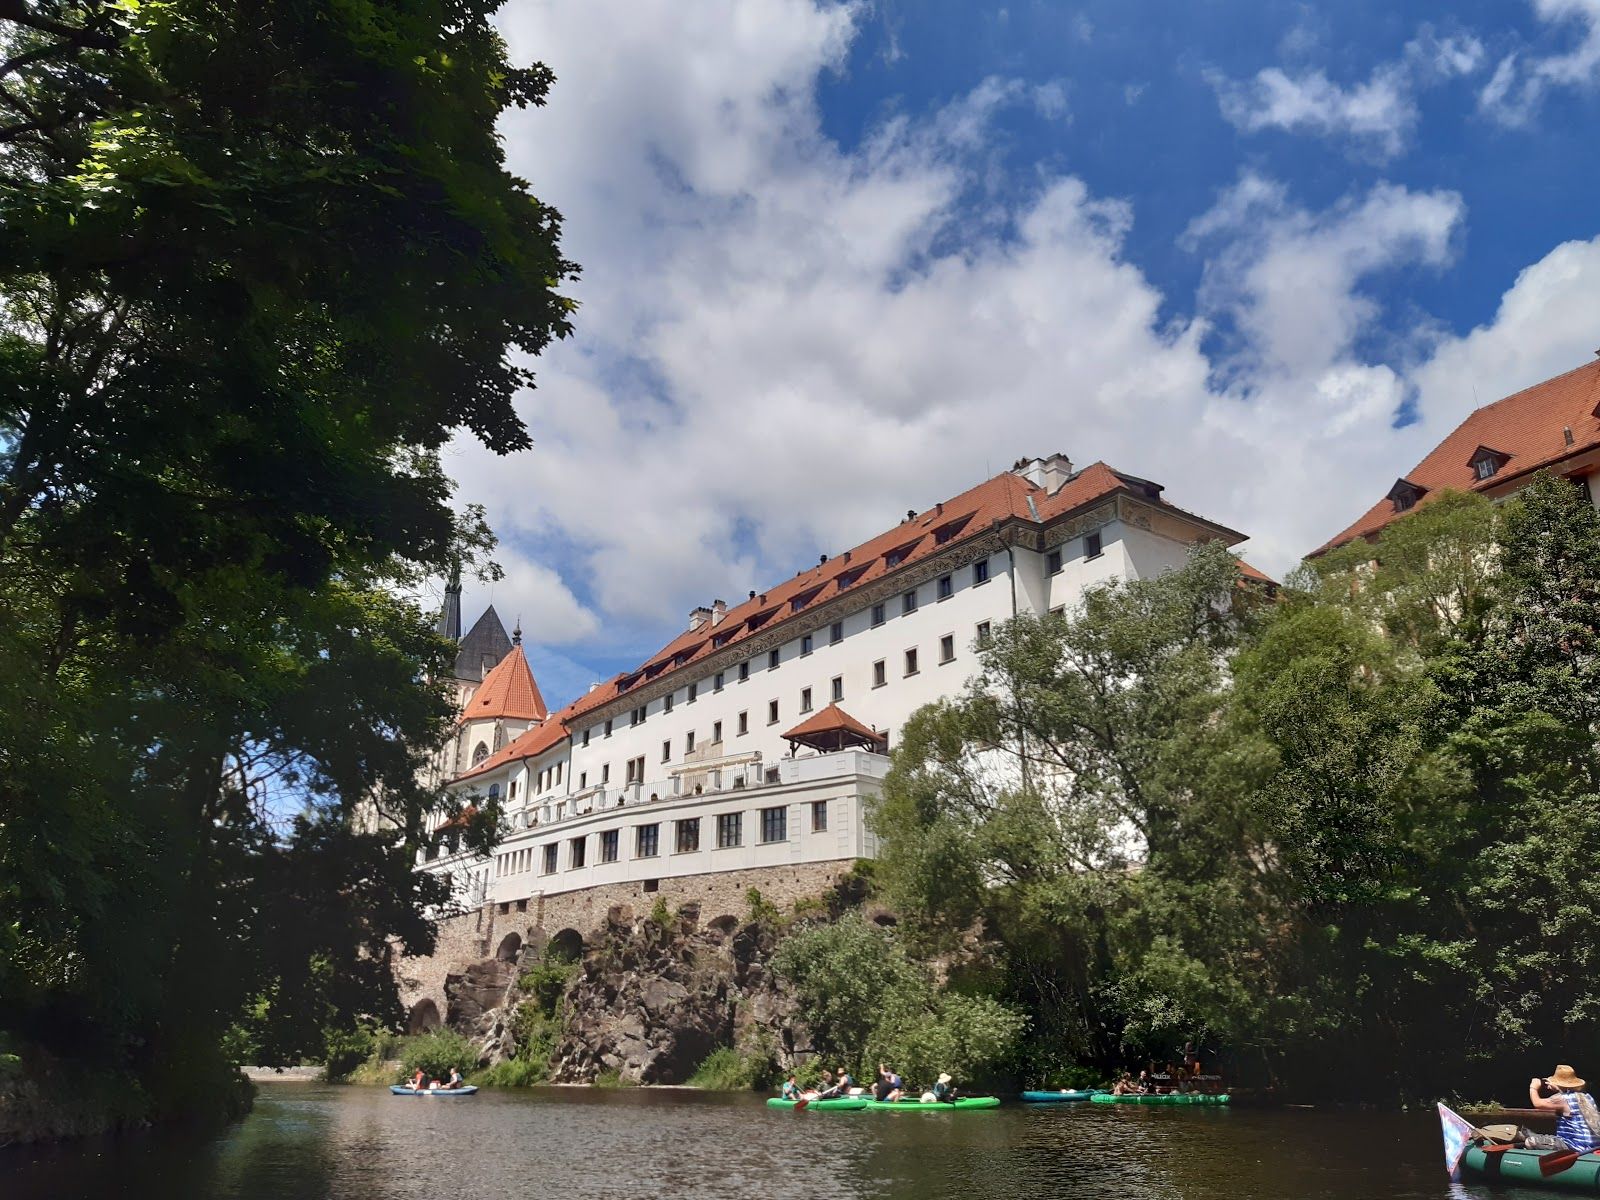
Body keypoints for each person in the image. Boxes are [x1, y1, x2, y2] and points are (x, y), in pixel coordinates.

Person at [1528, 1065, 1600, 1152]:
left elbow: (1537, 1103)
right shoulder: (1587, 1096)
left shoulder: (1563, 1099)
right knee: (1540, 1137)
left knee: (1530, 1142)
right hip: (1593, 1146)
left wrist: (1533, 1087)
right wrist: (1558, 1088)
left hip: (1575, 1146)